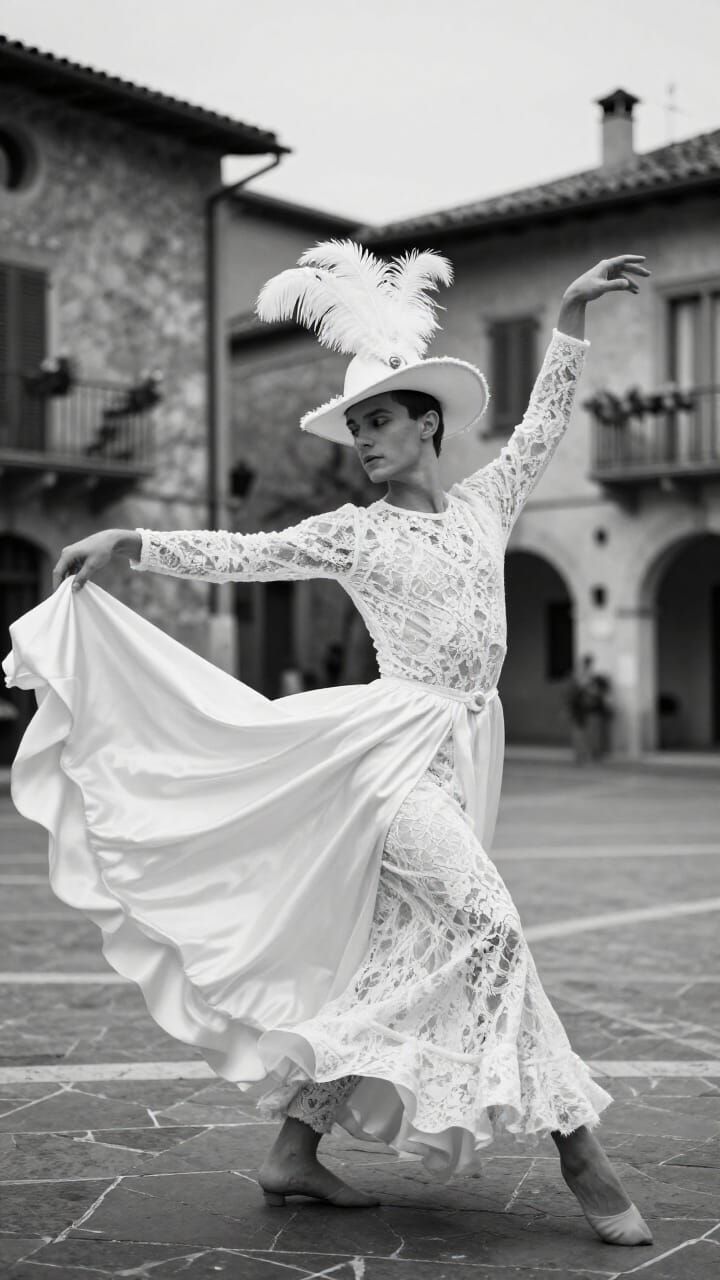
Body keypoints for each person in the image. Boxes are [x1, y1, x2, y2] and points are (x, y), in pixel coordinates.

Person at [3, 244, 653, 1246]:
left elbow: (541, 428)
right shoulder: (357, 532)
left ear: (429, 418)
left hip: (462, 752)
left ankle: (295, 1150)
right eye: (358, 428)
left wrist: (569, 316)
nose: (366, 442)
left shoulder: (485, 504)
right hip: (391, 763)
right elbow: (248, 554)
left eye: (380, 419)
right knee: (489, 926)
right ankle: (581, 1154)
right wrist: (133, 543)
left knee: (392, 958)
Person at [567, 654, 595, 765]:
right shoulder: (582, 676)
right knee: (579, 733)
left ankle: (582, 756)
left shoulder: (583, 675)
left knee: (581, 733)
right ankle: (580, 756)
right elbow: (582, 690)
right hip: (579, 708)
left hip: (581, 708)